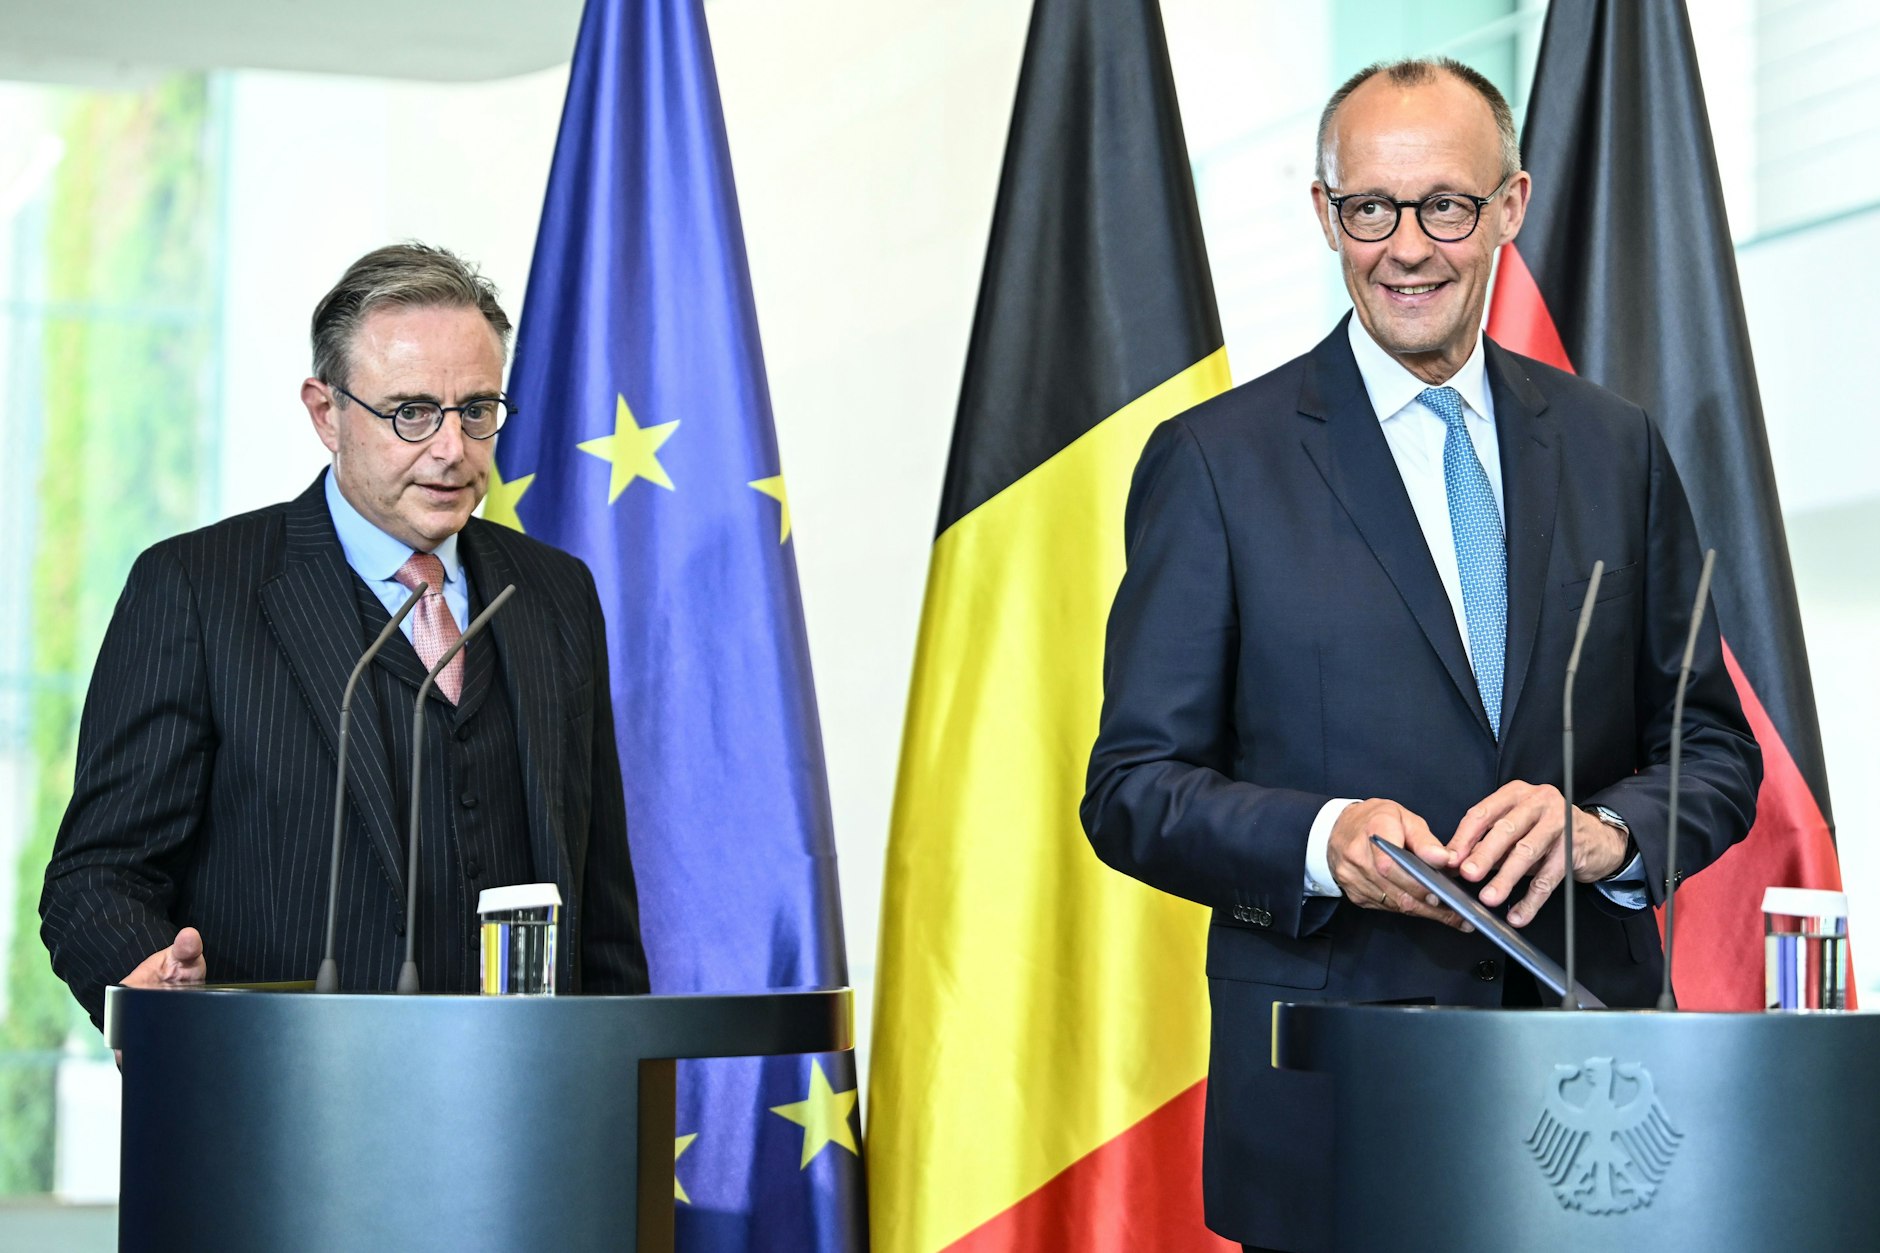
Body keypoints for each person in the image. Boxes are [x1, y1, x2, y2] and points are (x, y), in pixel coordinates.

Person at [1081, 58, 1761, 1251]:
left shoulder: (1614, 448)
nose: (1406, 247)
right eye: (1369, 209)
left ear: (1508, 204)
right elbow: (1132, 787)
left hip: (1590, 1099)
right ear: (1322, 214)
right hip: (1335, 1104)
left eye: (1445, 204)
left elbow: (1705, 745)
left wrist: (1603, 837)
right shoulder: (1213, 464)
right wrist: (1319, 840)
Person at [41, 243, 648, 1027]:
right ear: (326, 412)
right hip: (286, 1111)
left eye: (478, 410)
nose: (451, 449)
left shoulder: (555, 594)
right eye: (412, 412)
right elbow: (97, 875)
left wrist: (620, 1100)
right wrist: (148, 987)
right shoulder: (196, 589)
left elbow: (602, 909)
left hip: (520, 1118)